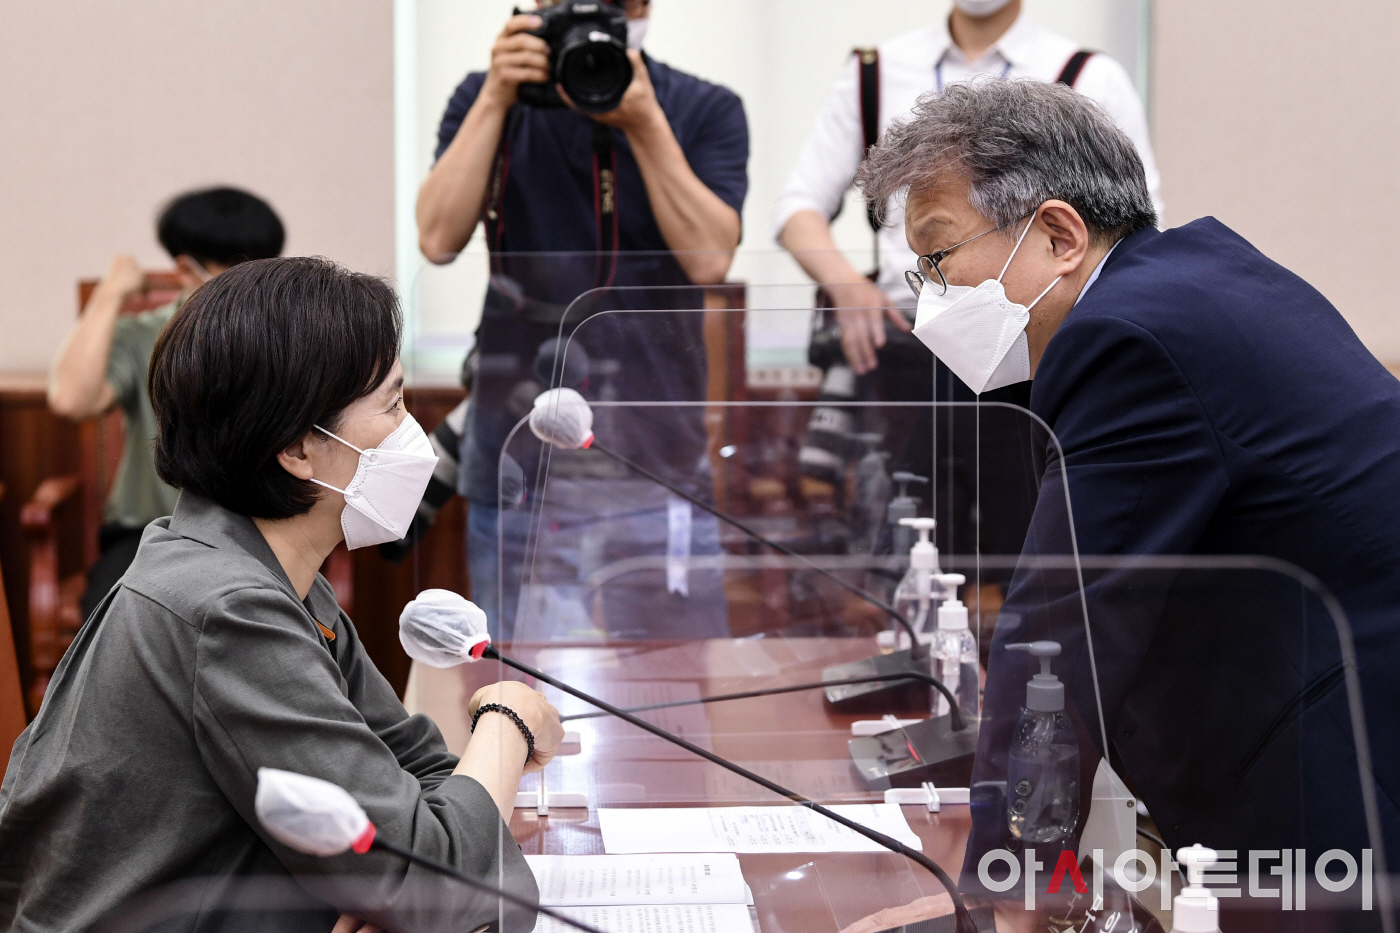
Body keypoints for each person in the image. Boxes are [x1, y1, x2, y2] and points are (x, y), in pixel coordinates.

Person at [854, 78, 1399, 912]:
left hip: (1350, 774)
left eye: (938, 257)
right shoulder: (1190, 277)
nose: (929, 296)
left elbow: (1058, 637)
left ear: (1059, 235)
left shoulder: (1127, 340)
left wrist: (1004, 894)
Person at [0, 258, 564, 933]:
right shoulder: (228, 608)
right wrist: (507, 717)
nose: (411, 429)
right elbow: (438, 880)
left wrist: (410, 882)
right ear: (298, 448)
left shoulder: (272, 572)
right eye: (392, 404)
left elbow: (416, 780)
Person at [415, 0, 748, 641]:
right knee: (522, 679)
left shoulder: (702, 106)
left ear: (640, 9)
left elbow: (710, 258)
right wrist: (495, 98)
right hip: (519, 456)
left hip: (655, 458)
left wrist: (644, 123)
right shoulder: (492, 99)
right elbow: (436, 238)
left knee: (671, 683)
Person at [47, 187, 285, 620]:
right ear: (185, 269)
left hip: (258, 534)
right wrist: (111, 292)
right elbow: (71, 400)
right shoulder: (145, 335)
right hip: (149, 535)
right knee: (118, 627)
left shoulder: (287, 340)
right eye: (231, 270)